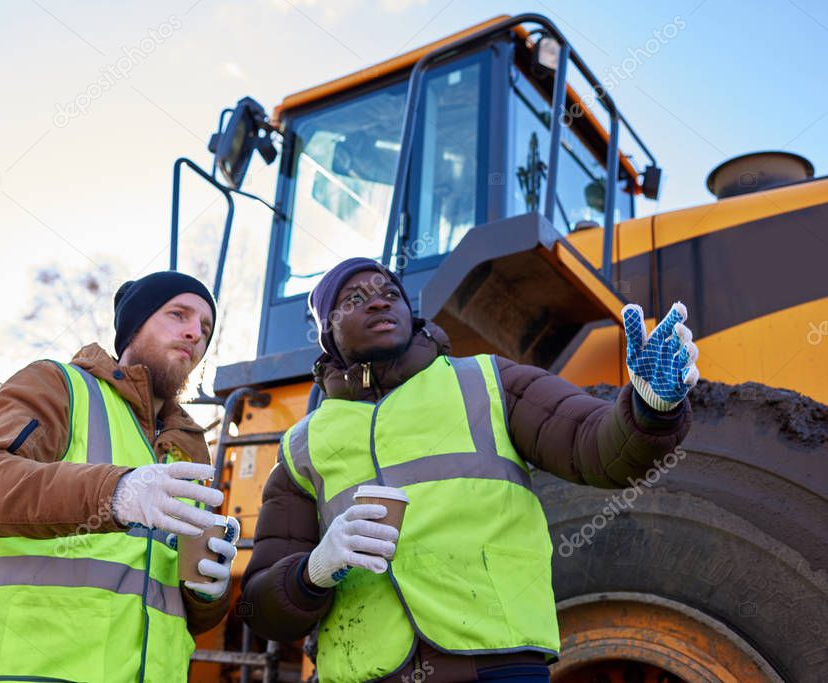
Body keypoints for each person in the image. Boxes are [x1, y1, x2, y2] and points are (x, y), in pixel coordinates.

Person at [240, 257, 698, 683]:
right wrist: (313, 571)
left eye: (390, 293)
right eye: (354, 299)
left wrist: (651, 407)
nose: (379, 300)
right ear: (328, 334)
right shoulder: (302, 445)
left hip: (497, 665)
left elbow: (597, 447)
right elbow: (261, 610)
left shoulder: (490, 383)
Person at [0, 271, 238, 683]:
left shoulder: (187, 448)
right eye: (179, 314)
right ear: (134, 327)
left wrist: (208, 590)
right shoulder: (57, 385)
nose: (195, 333)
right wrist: (115, 493)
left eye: (205, 328)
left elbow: (176, 611)